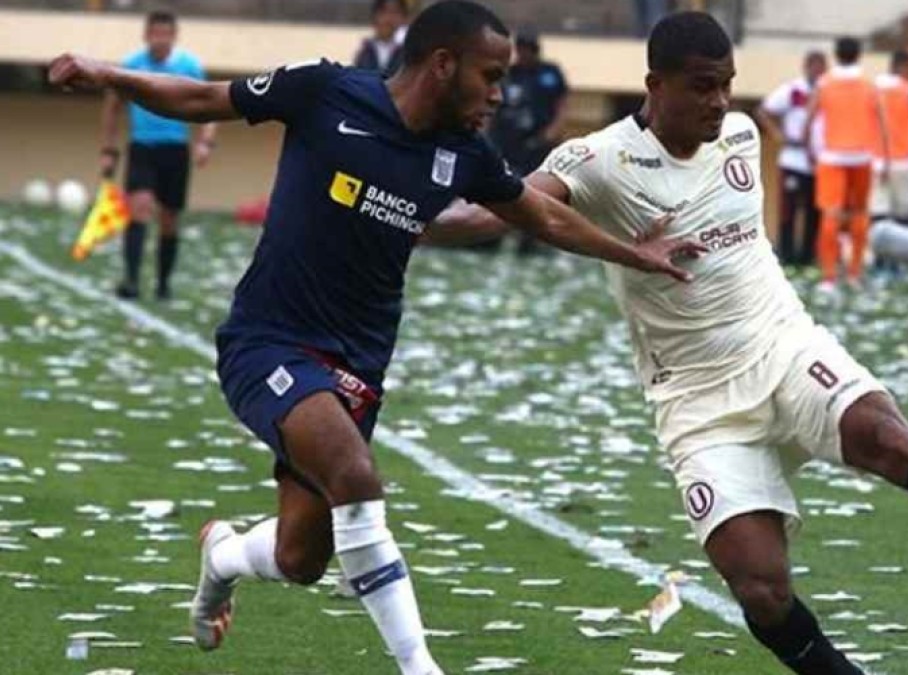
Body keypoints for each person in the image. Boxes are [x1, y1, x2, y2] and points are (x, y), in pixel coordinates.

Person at [48, 3, 703, 674]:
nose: (499, 95)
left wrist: (635, 253)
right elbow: (201, 98)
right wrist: (109, 74)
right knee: (357, 478)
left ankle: (223, 555)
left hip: (359, 364)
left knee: (301, 558)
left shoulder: (464, 153)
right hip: (268, 341)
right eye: (491, 76)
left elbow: (542, 217)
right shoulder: (325, 91)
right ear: (443, 65)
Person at [436, 12, 908, 673]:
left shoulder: (738, 134)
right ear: (655, 85)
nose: (719, 101)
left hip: (783, 345)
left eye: (726, 85)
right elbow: (495, 210)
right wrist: (402, 210)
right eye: (702, 86)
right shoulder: (598, 159)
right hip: (696, 399)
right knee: (762, 589)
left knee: (888, 434)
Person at [100, 10, 216, 301]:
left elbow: (210, 104)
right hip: (142, 147)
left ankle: (163, 285)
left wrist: (205, 142)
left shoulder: (189, 66)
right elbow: (112, 107)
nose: (160, 39)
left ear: (174, 36)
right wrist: (108, 149)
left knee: (169, 218)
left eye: (165, 34)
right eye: (155, 34)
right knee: (138, 207)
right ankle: (131, 281)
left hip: (175, 150)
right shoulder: (133, 66)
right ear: (146, 35)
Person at [802, 37, 888, 292]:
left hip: (831, 157)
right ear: (858, 55)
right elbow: (882, 123)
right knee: (860, 214)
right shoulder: (869, 85)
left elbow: (809, 119)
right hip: (862, 156)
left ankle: (829, 276)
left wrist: (808, 149)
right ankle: (854, 273)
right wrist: (886, 158)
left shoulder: (825, 83)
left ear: (836, 55)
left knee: (831, 214)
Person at [488, 31, 570, 253]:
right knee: (503, 188)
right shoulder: (508, 74)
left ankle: (532, 237)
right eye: (520, 50)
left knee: (537, 190)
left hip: (539, 142)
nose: (523, 54)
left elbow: (562, 103)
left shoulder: (550, 73)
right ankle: (492, 234)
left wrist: (553, 131)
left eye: (527, 50)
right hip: (508, 141)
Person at [757, 51, 827, 266]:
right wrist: (777, 135)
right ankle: (786, 255)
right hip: (794, 158)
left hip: (818, 161)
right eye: (814, 66)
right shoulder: (793, 90)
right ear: (806, 67)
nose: (817, 71)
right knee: (789, 210)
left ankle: (807, 257)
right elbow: (764, 111)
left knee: (814, 213)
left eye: (821, 67)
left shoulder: (827, 91)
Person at [870, 49, 908, 224]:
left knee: (877, 210)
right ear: (901, 67)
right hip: (903, 160)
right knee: (902, 214)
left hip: (877, 159)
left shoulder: (873, 88)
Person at [352, 0, 409, 76]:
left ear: (404, 18)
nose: (388, 18)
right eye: (384, 12)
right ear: (374, 16)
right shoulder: (365, 51)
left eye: (395, 12)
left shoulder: (408, 53)